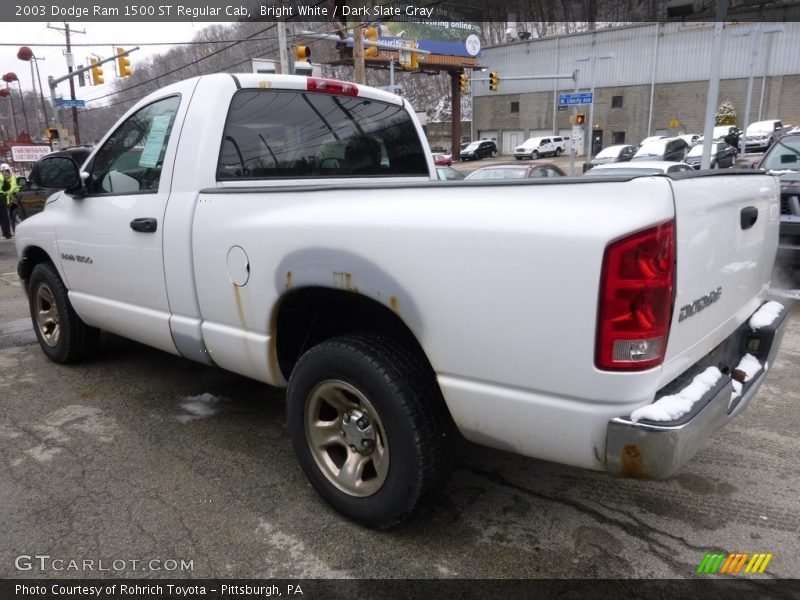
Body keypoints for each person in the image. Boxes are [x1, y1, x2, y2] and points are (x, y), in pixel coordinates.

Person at [0, 163, 19, 239]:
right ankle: (8, 233)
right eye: (3, 171)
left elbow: (13, 187)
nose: (5, 173)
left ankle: (10, 232)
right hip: (4, 200)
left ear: (9, 171)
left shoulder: (13, 177)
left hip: (13, 199)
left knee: (7, 217)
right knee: (6, 217)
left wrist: (7, 192)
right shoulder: (2, 178)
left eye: (6, 171)